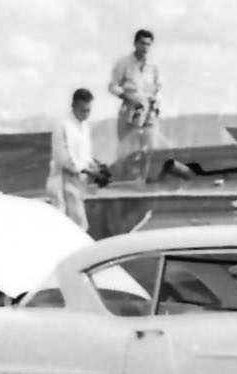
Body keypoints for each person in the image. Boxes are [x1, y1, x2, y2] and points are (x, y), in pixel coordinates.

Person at [48, 88, 97, 231]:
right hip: (64, 181)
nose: (86, 114)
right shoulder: (63, 125)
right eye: (83, 110)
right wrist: (89, 171)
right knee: (73, 226)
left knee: (79, 225)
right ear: (74, 106)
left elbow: (85, 155)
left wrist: (96, 167)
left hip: (79, 183)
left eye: (89, 110)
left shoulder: (84, 126)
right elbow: (64, 159)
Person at [109, 29, 163, 158]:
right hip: (130, 111)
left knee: (151, 149)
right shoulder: (124, 63)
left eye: (148, 44)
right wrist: (128, 98)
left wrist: (156, 104)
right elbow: (112, 86)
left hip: (149, 111)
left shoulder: (153, 65)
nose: (145, 47)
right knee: (129, 150)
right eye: (142, 43)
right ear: (135, 43)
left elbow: (159, 87)